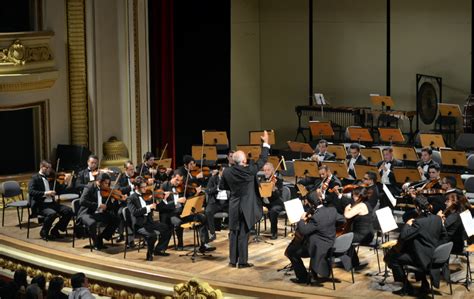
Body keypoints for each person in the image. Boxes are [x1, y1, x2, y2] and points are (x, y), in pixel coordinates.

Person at [220, 130, 270, 268]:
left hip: (234, 205)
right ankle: (242, 262)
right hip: (246, 206)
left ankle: (232, 261)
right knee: (243, 233)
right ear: (243, 160)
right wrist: (265, 143)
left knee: (233, 232)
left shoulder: (227, 172)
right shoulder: (249, 170)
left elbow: (223, 186)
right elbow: (262, 160)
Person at [386, 196, 447, 296]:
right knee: (414, 250)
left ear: (417, 208)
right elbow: (444, 236)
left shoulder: (418, 222)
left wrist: (408, 224)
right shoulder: (437, 218)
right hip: (434, 255)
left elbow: (404, 236)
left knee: (393, 259)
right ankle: (424, 284)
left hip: (425, 260)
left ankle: (407, 287)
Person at [285, 194, 345, 283]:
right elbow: (342, 220)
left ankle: (302, 278)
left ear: (310, 204)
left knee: (290, 252)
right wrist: (328, 227)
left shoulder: (316, 217)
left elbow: (304, 231)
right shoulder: (332, 210)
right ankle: (312, 273)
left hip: (318, 248)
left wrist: (301, 220)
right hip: (331, 243)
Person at [127, 176, 172, 261]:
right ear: (137, 187)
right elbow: (135, 212)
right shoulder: (131, 198)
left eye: (145, 186)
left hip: (149, 222)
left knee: (167, 228)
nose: (145, 188)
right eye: (143, 187)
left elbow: (158, 208)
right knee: (152, 235)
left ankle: (158, 249)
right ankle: (149, 254)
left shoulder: (148, 195)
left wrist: (163, 200)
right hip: (139, 225)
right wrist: (148, 207)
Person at [28, 160, 74, 241]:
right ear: (42, 167)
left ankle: (55, 230)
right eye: (48, 168)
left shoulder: (51, 179)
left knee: (69, 211)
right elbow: (31, 191)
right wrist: (46, 193)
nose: (51, 170)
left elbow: (61, 190)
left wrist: (66, 182)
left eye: (50, 168)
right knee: (52, 214)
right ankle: (44, 232)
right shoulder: (35, 178)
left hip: (52, 203)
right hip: (40, 205)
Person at [77, 173, 120, 250]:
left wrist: (112, 203)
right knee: (92, 223)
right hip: (87, 213)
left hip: (99, 213)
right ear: (98, 182)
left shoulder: (105, 190)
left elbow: (108, 206)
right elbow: (82, 201)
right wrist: (97, 206)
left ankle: (101, 237)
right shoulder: (89, 187)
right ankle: (95, 242)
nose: (107, 185)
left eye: (108, 183)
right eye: (105, 183)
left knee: (116, 219)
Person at [343, 187, 374, 267]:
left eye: (353, 195)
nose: (352, 196)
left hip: (362, 236)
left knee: (343, 239)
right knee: (347, 237)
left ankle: (351, 263)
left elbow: (347, 215)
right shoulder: (366, 203)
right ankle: (354, 261)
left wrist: (347, 208)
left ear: (357, 196)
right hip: (369, 233)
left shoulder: (361, 205)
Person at [438, 189, 471, 254]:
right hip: (457, 243)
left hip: (452, 246)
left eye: (447, 201)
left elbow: (440, 228)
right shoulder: (462, 212)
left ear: (454, 202)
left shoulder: (455, 216)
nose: (445, 203)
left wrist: (439, 218)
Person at [260, 162, 284, 240]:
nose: (266, 172)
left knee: (273, 211)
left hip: (276, 203)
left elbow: (279, 194)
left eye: (268, 170)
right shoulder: (262, 179)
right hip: (266, 202)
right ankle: (252, 230)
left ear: (273, 171)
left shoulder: (278, 180)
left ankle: (274, 232)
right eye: (265, 170)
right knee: (253, 206)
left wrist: (274, 189)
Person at [205, 166, 229, 241]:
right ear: (220, 171)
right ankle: (212, 233)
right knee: (208, 211)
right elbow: (208, 191)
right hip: (215, 202)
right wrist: (217, 188)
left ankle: (232, 232)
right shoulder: (213, 179)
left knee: (235, 210)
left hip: (226, 202)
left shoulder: (229, 179)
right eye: (224, 173)